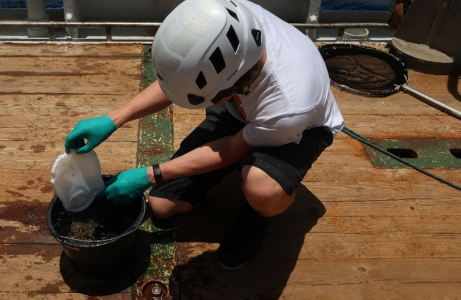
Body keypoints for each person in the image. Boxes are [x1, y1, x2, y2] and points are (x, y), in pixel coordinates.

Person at [64, 0, 344, 270]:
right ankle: (243, 169)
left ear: (235, 82)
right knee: (162, 206)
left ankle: (258, 215)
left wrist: (149, 175)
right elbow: (177, 82)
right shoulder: (222, 17)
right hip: (242, 110)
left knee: (261, 190)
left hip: (299, 129)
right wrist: (113, 120)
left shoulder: (289, 108)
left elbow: (234, 147)